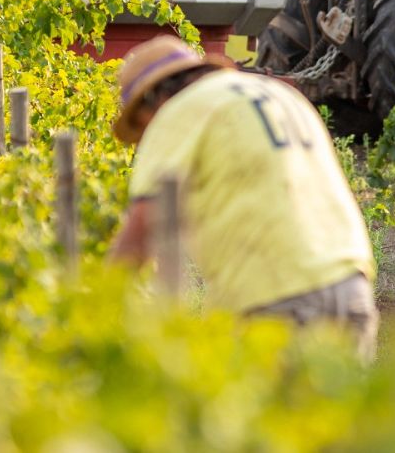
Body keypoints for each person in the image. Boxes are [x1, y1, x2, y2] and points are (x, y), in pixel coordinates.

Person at [107, 36, 378, 359]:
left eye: (141, 125)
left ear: (155, 100)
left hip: (273, 297)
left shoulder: (181, 110)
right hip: (350, 286)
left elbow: (141, 231)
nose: (145, 138)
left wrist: (93, 314)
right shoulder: (281, 95)